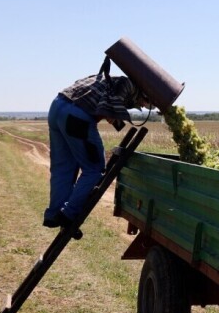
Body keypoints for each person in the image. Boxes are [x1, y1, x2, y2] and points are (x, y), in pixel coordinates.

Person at [43, 73, 147, 237]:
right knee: (94, 169)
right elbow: (113, 104)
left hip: (57, 107)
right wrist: (115, 118)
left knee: (62, 168)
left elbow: (106, 102)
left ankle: (54, 214)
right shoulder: (128, 85)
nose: (143, 106)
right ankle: (68, 215)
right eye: (146, 103)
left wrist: (114, 117)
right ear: (145, 92)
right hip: (76, 115)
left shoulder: (112, 79)